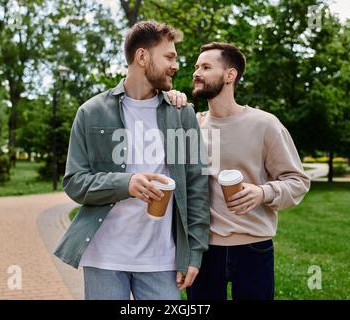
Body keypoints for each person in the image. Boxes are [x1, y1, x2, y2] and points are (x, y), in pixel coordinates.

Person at [53, 21, 210, 300]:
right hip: (104, 257)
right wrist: (126, 183)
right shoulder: (91, 112)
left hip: (162, 260)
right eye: (169, 57)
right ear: (142, 57)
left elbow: (196, 186)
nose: (176, 65)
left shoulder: (181, 114)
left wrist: (194, 252)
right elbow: (74, 182)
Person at [170, 42, 310, 300]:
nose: (196, 72)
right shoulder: (192, 126)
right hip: (203, 250)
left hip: (254, 249)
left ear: (230, 75)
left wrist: (263, 192)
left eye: (206, 67)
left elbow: (298, 181)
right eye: (196, 66)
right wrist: (167, 100)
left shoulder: (265, 124)